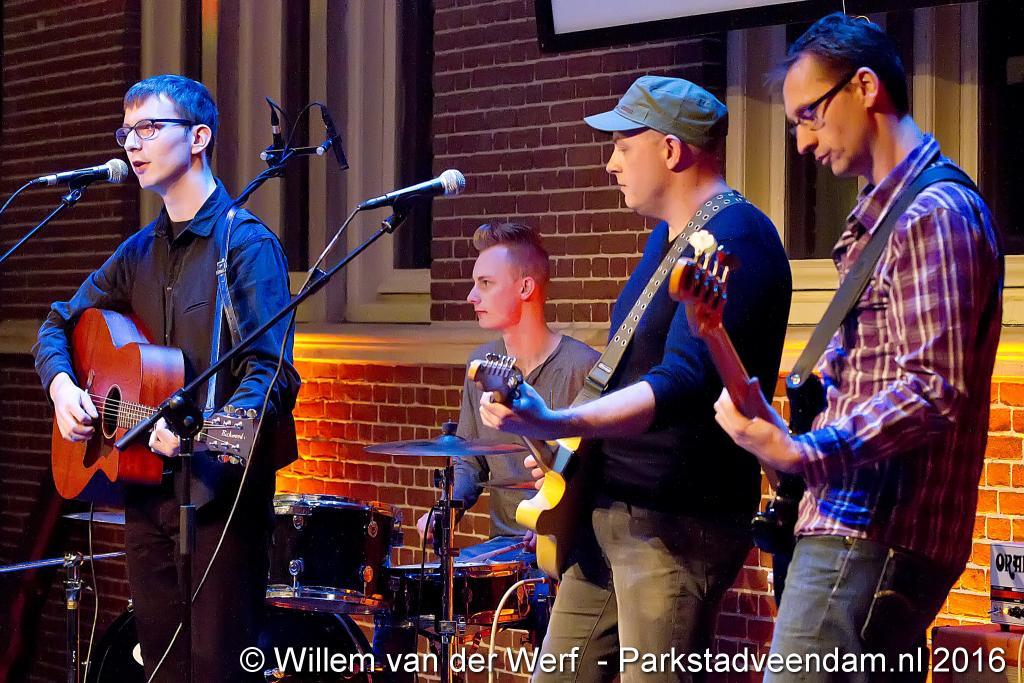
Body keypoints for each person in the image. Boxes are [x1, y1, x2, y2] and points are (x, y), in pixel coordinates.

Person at [712, 14, 1003, 681]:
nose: (802, 142)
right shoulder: (890, 216)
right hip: (854, 525)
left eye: (809, 115)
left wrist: (804, 452)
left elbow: (932, 390)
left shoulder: (934, 214)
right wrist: (784, 437)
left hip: (870, 529)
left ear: (865, 87)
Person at [480, 76, 792, 682]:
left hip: (674, 526)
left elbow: (681, 384)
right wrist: (567, 450)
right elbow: (630, 368)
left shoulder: (739, 239)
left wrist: (559, 421)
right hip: (610, 513)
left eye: (624, 146)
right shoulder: (667, 239)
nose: (611, 162)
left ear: (671, 150)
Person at [34, 74, 300, 682]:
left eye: (150, 127)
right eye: (127, 131)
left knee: (216, 667)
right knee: (159, 666)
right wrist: (63, 388)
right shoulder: (138, 253)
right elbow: (57, 323)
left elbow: (272, 374)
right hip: (145, 493)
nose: (133, 143)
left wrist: (206, 434)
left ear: (198, 137)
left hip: (220, 497)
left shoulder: (246, 245)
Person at [416, 222, 598, 554]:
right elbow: (471, 461)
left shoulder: (584, 367)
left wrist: (559, 521)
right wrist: (445, 511)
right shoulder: (480, 365)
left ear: (525, 287)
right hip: (501, 548)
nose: (471, 296)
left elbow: (602, 478)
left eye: (485, 283)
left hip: (571, 554)